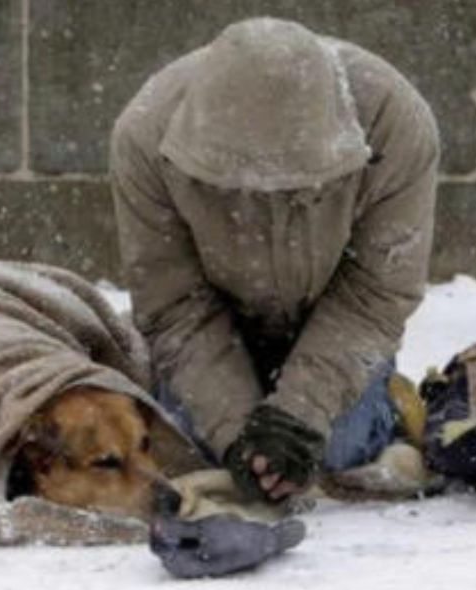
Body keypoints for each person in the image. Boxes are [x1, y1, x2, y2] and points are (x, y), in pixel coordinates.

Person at [110, 17, 439, 503]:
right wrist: (239, 435)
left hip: (335, 324)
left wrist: (298, 417)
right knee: (189, 446)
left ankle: (381, 405)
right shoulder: (143, 137)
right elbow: (175, 304)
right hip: (214, 326)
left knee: (336, 448)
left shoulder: (395, 122)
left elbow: (377, 292)